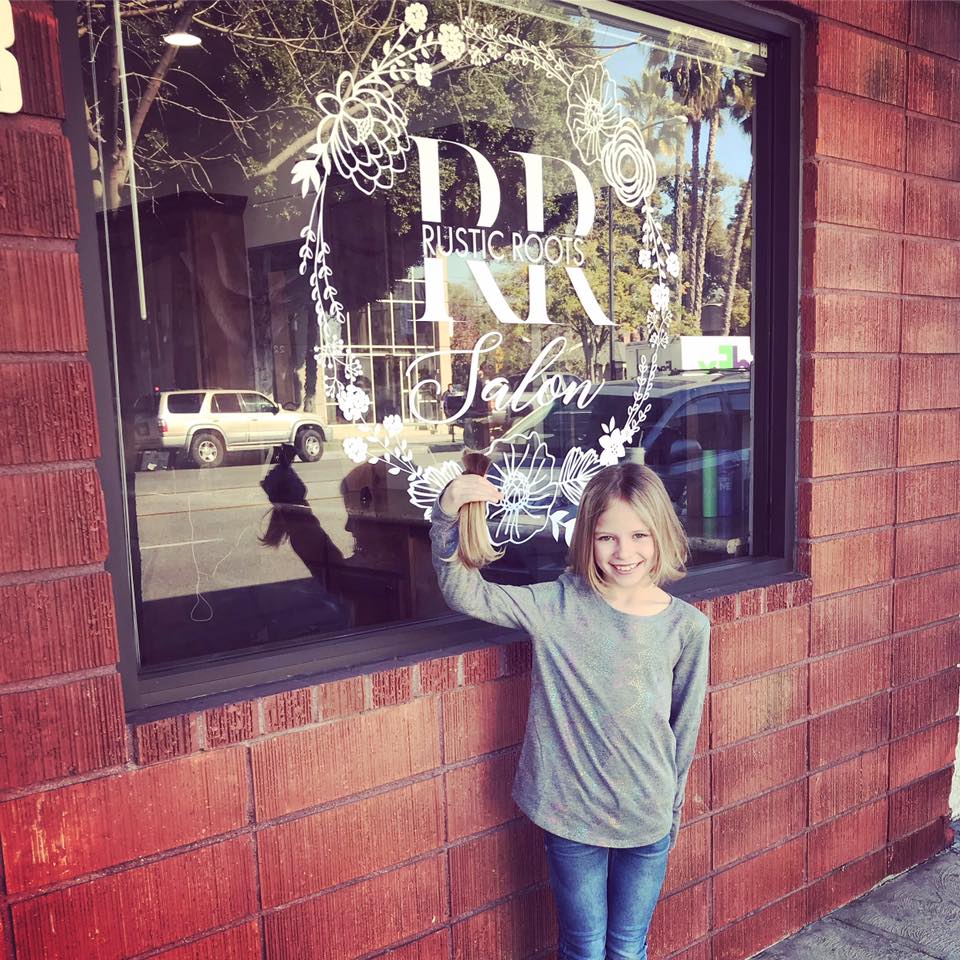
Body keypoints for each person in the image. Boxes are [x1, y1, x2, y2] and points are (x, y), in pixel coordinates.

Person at [430, 459, 710, 960]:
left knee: (628, 948)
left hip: (646, 816)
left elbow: (683, 730)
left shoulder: (687, 627)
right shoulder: (556, 605)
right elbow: (464, 592)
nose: (624, 552)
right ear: (587, 539)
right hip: (570, 813)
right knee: (583, 948)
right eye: (607, 538)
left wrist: (671, 815)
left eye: (640, 536)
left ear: (662, 534)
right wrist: (447, 515)